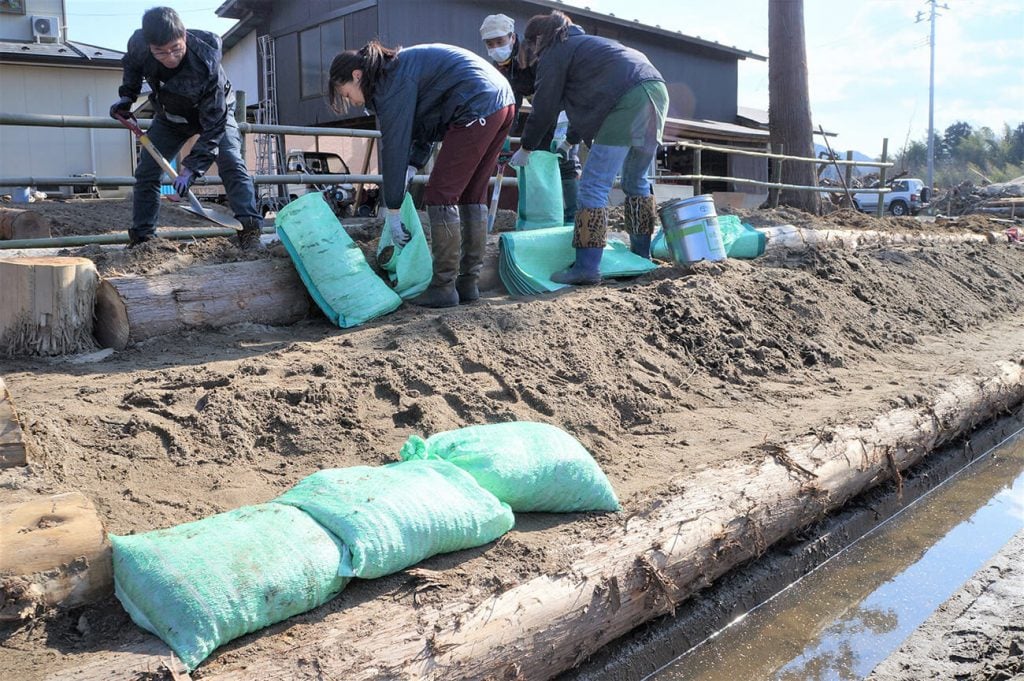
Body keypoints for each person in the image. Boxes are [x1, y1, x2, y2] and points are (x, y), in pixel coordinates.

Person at [328, 41, 514, 307]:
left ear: (357, 76)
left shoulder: (388, 82)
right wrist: (413, 165)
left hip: (477, 100)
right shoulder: (399, 70)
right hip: (501, 99)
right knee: (472, 194)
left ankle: (443, 287)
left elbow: (394, 144)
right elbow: (427, 122)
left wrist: (392, 209)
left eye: (346, 94)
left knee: (440, 194)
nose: (353, 102)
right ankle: (468, 283)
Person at [509, 11, 669, 285]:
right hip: (655, 90)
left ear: (537, 39)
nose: (532, 52)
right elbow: (589, 97)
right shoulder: (586, 45)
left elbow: (545, 105)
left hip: (628, 98)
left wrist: (526, 146)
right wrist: (571, 139)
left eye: (531, 46)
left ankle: (586, 266)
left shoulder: (555, 50)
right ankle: (642, 255)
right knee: (635, 180)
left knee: (592, 186)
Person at [110, 6, 263, 249]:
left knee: (231, 161)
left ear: (184, 36)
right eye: (160, 52)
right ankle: (143, 238)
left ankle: (249, 232)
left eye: (175, 49)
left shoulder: (206, 57)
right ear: (149, 45)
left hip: (215, 112)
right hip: (171, 116)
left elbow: (214, 124)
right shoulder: (139, 45)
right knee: (147, 172)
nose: (170, 58)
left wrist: (191, 168)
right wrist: (126, 98)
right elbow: (132, 68)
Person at [479, 13, 580, 224]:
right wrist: (502, 139)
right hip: (541, 112)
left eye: (500, 41)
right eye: (490, 43)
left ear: (512, 37)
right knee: (539, 161)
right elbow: (509, 106)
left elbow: (550, 92)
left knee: (565, 161)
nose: (495, 47)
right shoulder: (502, 69)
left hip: (561, 107)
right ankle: (544, 219)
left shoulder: (532, 54)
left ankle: (574, 219)